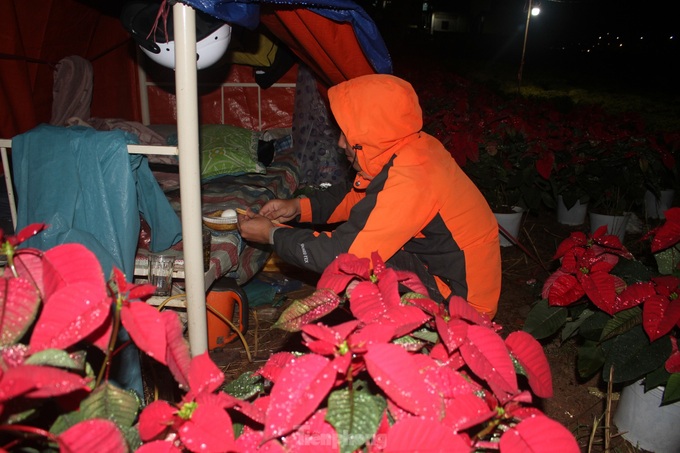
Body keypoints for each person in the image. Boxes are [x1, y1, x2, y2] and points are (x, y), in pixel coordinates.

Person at [238, 74, 502, 318]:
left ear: (372, 132)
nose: (341, 144)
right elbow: (360, 197)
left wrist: (272, 234)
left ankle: (406, 340)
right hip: (444, 274)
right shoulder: (410, 147)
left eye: (348, 133)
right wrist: (298, 207)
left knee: (359, 263)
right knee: (364, 241)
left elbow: (341, 254)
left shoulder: (414, 176)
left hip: (461, 304)